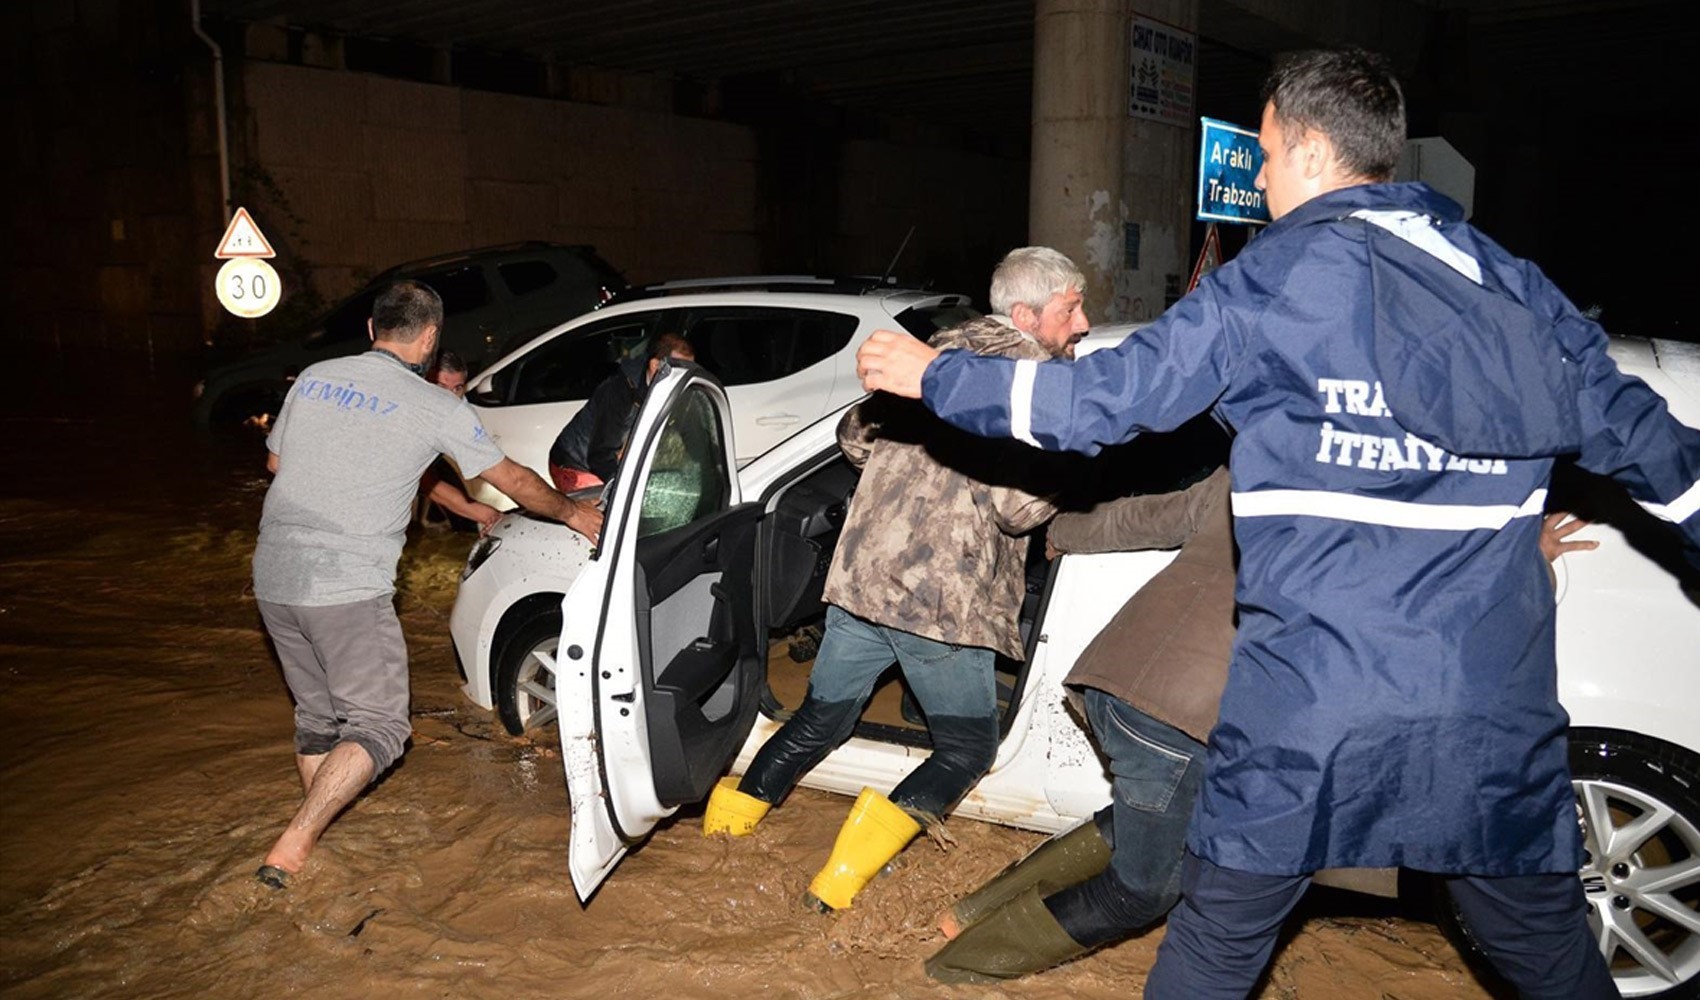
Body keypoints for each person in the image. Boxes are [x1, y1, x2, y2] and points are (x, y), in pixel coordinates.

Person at [856, 47, 1700, 998]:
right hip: (1486, 713)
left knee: (1215, 945)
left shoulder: (1273, 281)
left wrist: (935, 375)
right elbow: (1663, 457)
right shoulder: (1516, 287)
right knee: (1549, 956)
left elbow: (1099, 403)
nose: (1257, 178)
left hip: (1309, 706)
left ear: (1305, 149)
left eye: (1262, 155)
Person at [925, 472, 1599, 983]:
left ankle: (973, 911)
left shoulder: (1266, 461)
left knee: (1154, 817)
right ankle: (958, 968)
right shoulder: (1407, 522)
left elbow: (1145, 517)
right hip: (1185, 718)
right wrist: (1525, 553)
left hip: (1116, 674)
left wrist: (1062, 531)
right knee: (1146, 887)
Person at [699, 246, 1089, 913]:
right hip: (939, 604)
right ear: (1025, 314)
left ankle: (720, 839)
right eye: (1071, 308)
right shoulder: (1028, 386)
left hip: (862, 584)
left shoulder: (933, 354)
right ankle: (836, 886)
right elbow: (1015, 509)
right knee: (967, 749)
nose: (1081, 324)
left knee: (821, 719)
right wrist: (1078, 467)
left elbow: (855, 438)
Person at [252, 280, 603, 890]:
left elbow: (277, 463)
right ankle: (295, 843)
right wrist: (575, 514)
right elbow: (513, 479)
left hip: (273, 575)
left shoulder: (313, 377)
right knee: (381, 729)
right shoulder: (434, 406)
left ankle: (322, 834)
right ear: (431, 338)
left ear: (371, 328)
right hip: (345, 585)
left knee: (317, 715)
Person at [547, 333, 696, 493]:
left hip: (606, 458)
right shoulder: (619, 391)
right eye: (678, 371)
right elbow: (600, 456)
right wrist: (625, 489)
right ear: (655, 366)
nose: (683, 379)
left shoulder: (667, 388)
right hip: (575, 465)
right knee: (608, 513)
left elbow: (688, 431)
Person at [417, 351, 501, 531]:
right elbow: (424, 479)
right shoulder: (408, 412)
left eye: (457, 388)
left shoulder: (461, 410)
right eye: (441, 387)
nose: (450, 398)